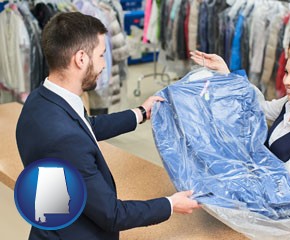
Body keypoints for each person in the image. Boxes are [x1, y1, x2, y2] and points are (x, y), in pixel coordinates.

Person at [16, 12, 199, 240]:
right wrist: (170, 204)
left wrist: (140, 113)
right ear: (81, 58)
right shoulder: (65, 140)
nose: (104, 65)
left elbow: (85, 126)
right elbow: (112, 215)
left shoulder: (40, 100)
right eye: (102, 55)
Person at [190, 35, 290, 238]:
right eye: (287, 73)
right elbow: (259, 106)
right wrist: (226, 73)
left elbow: (284, 180)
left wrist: (230, 183)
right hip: (269, 207)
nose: (287, 81)